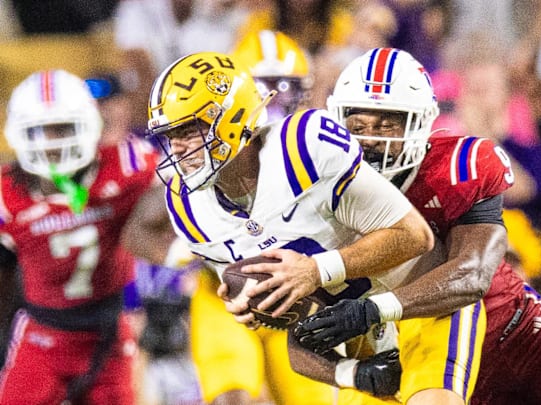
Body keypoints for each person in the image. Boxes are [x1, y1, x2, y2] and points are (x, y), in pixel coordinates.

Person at [291, 47, 541, 405]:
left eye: (387, 123)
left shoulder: (458, 165)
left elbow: (472, 274)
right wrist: (350, 372)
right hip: (411, 351)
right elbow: (298, 333)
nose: (373, 139)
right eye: (359, 125)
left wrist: (373, 309)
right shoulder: (318, 191)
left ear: (419, 122)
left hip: (512, 332)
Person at [145, 51, 435, 405]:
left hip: (421, 306)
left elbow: (415, 236)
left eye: (189, 130)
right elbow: (298, 317)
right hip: (361, 339)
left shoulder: (302, 149)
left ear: (232, 118)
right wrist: (259, 305)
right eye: (170, 135)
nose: (177, 148)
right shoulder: (188, 206)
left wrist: (315, 271)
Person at [0, 69, 173, 404]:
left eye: (62, 128)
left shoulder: (127, 165)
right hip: (44, 334)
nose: (51, 142)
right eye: (39, 130)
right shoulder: (8, 193)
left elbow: (178, 204)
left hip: (109, 331)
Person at [186, 32, 340, 405]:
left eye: (285, 89)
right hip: (226, 299)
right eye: (262, 89)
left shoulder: (321, 147)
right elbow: (145, 228)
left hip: (302, 302)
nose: (273, 102)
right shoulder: (201, 152)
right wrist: (189, 251)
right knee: (233, 399)